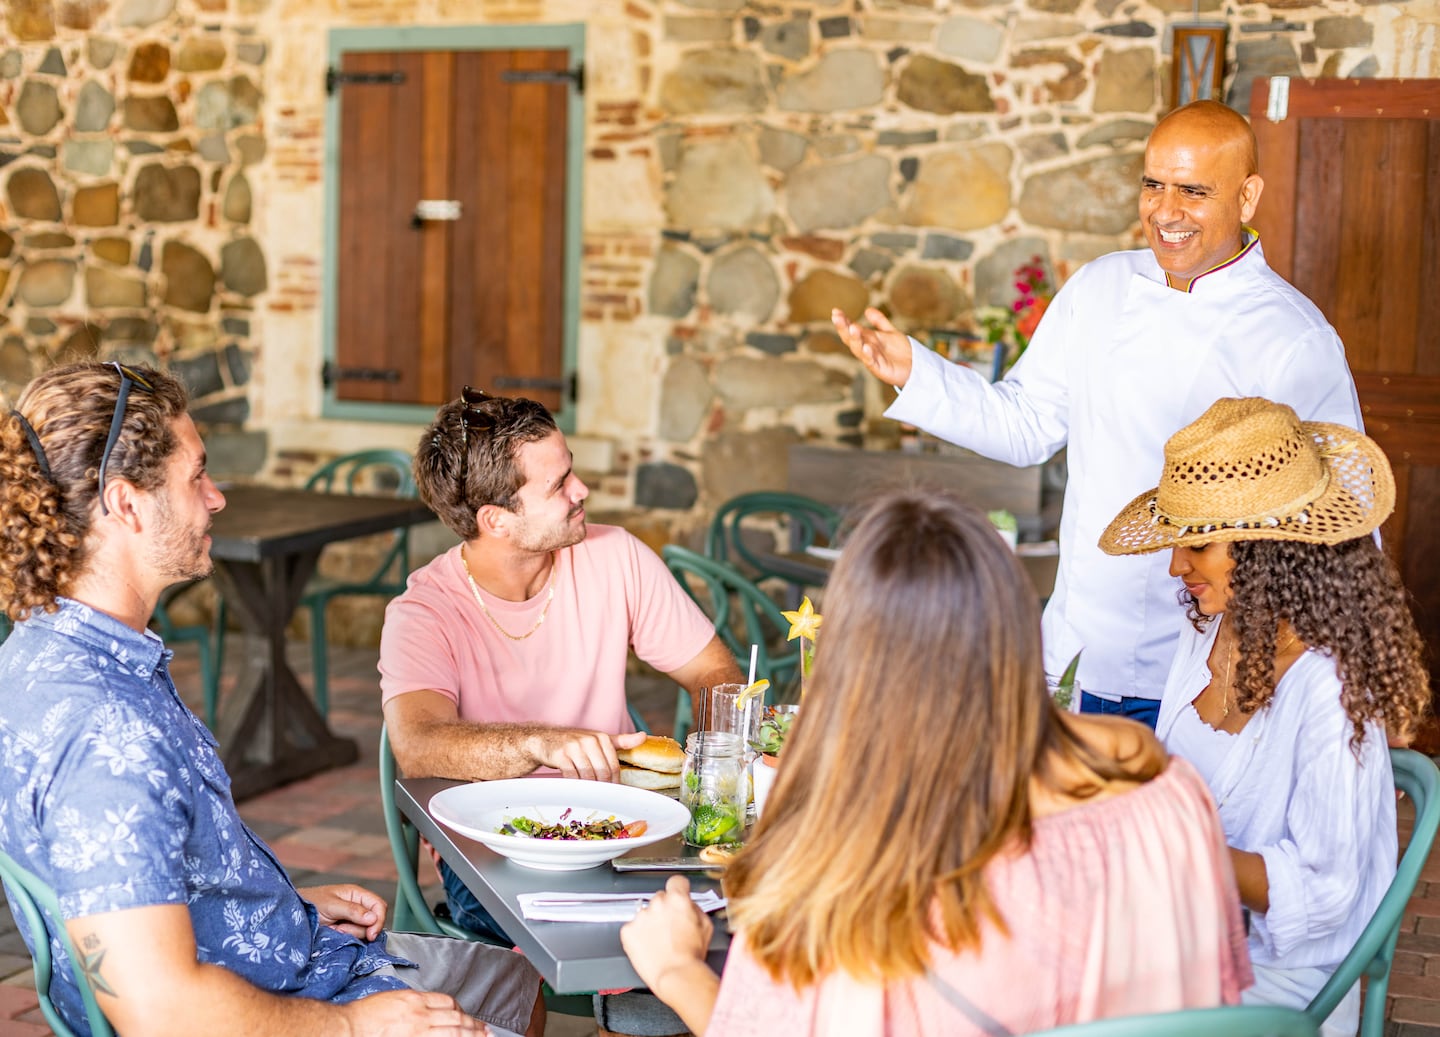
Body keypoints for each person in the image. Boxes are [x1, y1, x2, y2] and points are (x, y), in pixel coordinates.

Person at [0, 362, 545, 1037]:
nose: (217, 497)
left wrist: (276, 905)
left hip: (271, 957)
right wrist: (354, 1027)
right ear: (127, 504)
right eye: (196, 476)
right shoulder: (107, 731)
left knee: (517, 985)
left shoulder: (41, 649)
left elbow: (138, 879)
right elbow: (156, 1006)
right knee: (504, 1001)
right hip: (268, 1007)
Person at [620, 487, 1252, 1036]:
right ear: (1015, 628)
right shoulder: (1169, 806)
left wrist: (677, 969)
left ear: (855, 665)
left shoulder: (856, 882)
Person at [831, 99, 1363, 728]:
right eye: (1153, 185)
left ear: (1247, 198)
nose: (1166, 212)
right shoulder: (1098, 289)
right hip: (1074, 655)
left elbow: (1340, 519)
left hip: (1206, 674)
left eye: (1193, 191)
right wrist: (916, 371)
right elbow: (1026, 424)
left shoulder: (1295, 337)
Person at [379, 388, 742, 1034]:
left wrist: (715, 777)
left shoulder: (615, 555)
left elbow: (714, 671)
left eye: (571, 467)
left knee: (715, 923)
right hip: (491, 852)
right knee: (635, 945)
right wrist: (541, 743)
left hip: (625, 829)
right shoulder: (423, 611)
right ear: (498, 520)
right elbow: (419, 744)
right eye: (561, 482)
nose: (583, 489)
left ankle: (646, 1011)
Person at [1098, 397, 1430, 1036]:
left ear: (1268, 548)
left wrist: (1174, 846)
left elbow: (1326, 893)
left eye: (1199, 544)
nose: (1176, 565)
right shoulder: (1210, 629)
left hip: (1272, 982)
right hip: (1185, 935)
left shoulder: (1331, 691)